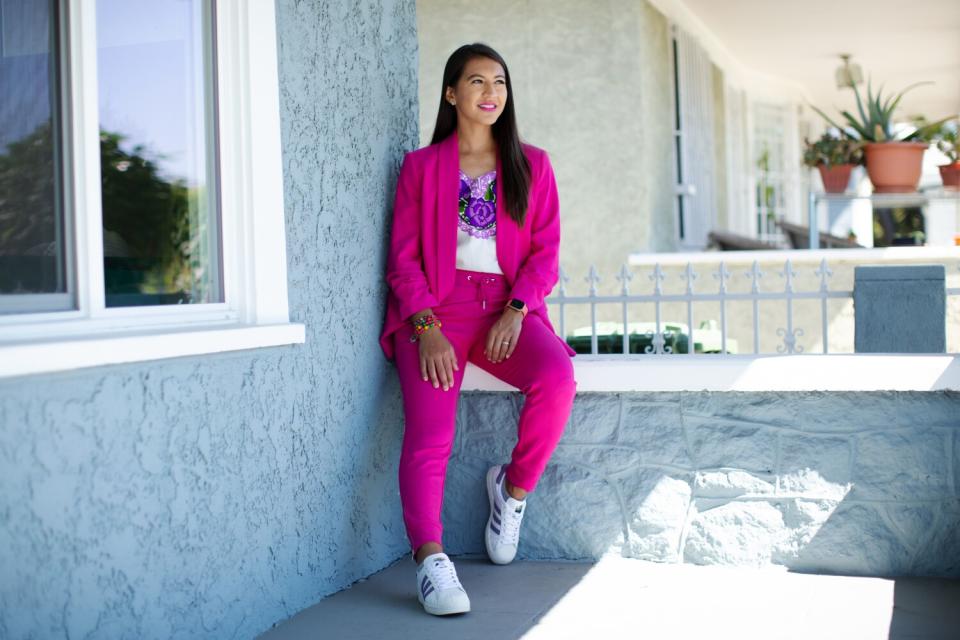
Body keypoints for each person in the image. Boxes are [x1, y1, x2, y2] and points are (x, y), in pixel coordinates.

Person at [379, 43, 577, 617]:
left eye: (500, 82)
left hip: (506, 310)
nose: (491, 93)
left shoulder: (532, 164)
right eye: (476, 82)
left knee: (558, 379)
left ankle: (511, 493)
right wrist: (426, 327)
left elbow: (545, 254)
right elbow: (403, 260)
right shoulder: (421, 168)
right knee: (430, 437)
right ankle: (431, 560)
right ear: (451, 93)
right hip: (436, 314)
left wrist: (517, 309)